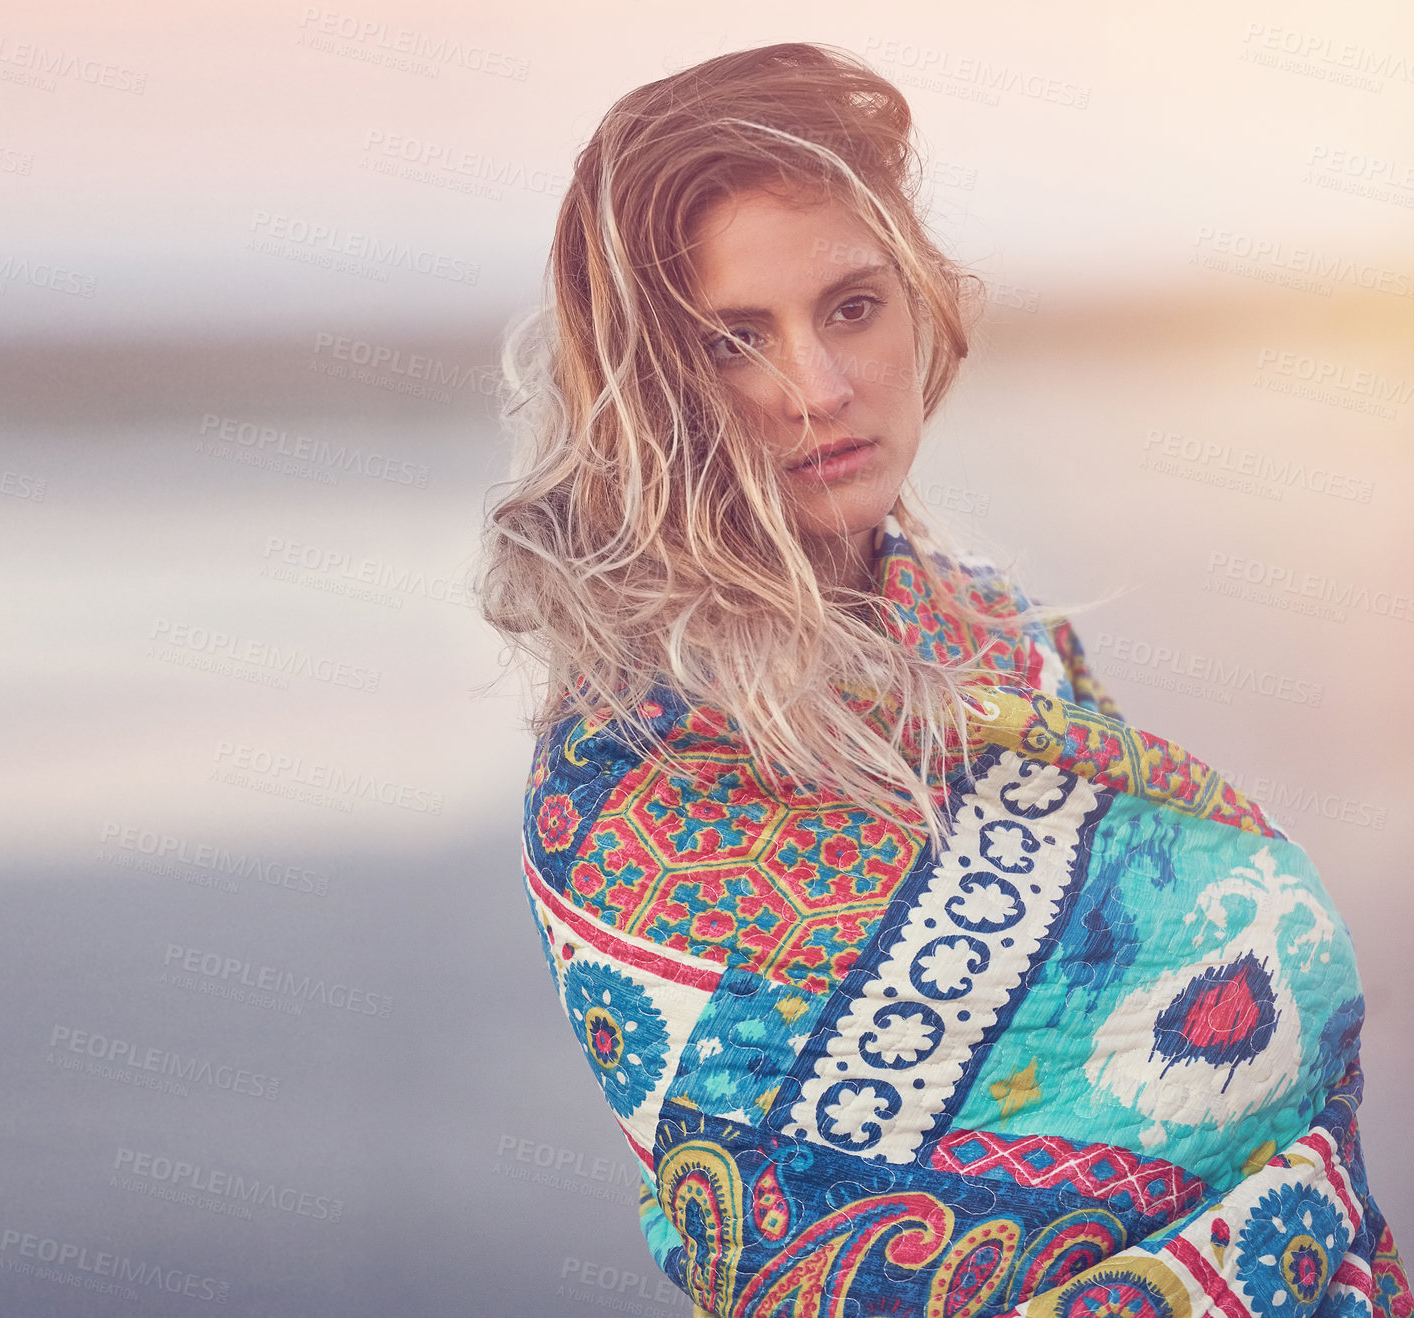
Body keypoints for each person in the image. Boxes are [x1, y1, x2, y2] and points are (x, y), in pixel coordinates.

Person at [475, 41, 1408, 1318]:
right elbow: (812, 1240)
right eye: (735, 338)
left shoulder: (1005, 644)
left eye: (852, 306)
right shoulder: (632, 779)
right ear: (654, 383)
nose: (818, 388)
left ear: (923, 301)